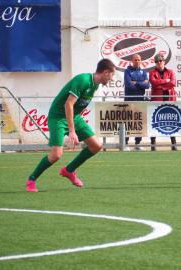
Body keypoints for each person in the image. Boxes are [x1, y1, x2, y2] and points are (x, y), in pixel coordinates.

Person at [25, 59, 116, 192]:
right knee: (56, 155)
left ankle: (69, 170)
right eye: (112, 75)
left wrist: (76, 125)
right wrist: (72, 131)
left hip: (74, 117)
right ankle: (31, 180)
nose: (112, 78)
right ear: (106, 72)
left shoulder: (95, 84)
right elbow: (68, 104)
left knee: (96, 146)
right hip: (58, 118)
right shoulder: (83, 80)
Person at [149, 53, 177, 151]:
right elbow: (153, 82)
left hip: (169, 99)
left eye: (160, 60)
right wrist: (166, 81)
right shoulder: (152, 72)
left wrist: (161, 85)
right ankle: (153, 144)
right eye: (156, 61)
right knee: (154, 121)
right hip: (157, 99)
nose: (159, 62)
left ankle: (174, 144)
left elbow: (173, 83)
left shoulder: (170, 71)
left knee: (172, 121)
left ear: (164, 61)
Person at [123, 54, 150, 151]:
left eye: (139, 60)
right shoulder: (127, 71)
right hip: (129, 100)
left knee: (139, 122)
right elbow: (129, 85)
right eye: (135, 60)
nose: (137, 61)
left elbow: (147, 85)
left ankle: (137, 144)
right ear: (132, 61)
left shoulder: (143, 72)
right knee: (128, 122)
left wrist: (136, 83)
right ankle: (125, 143)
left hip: (140, 100)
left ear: (141, 61)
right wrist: (141, 83)